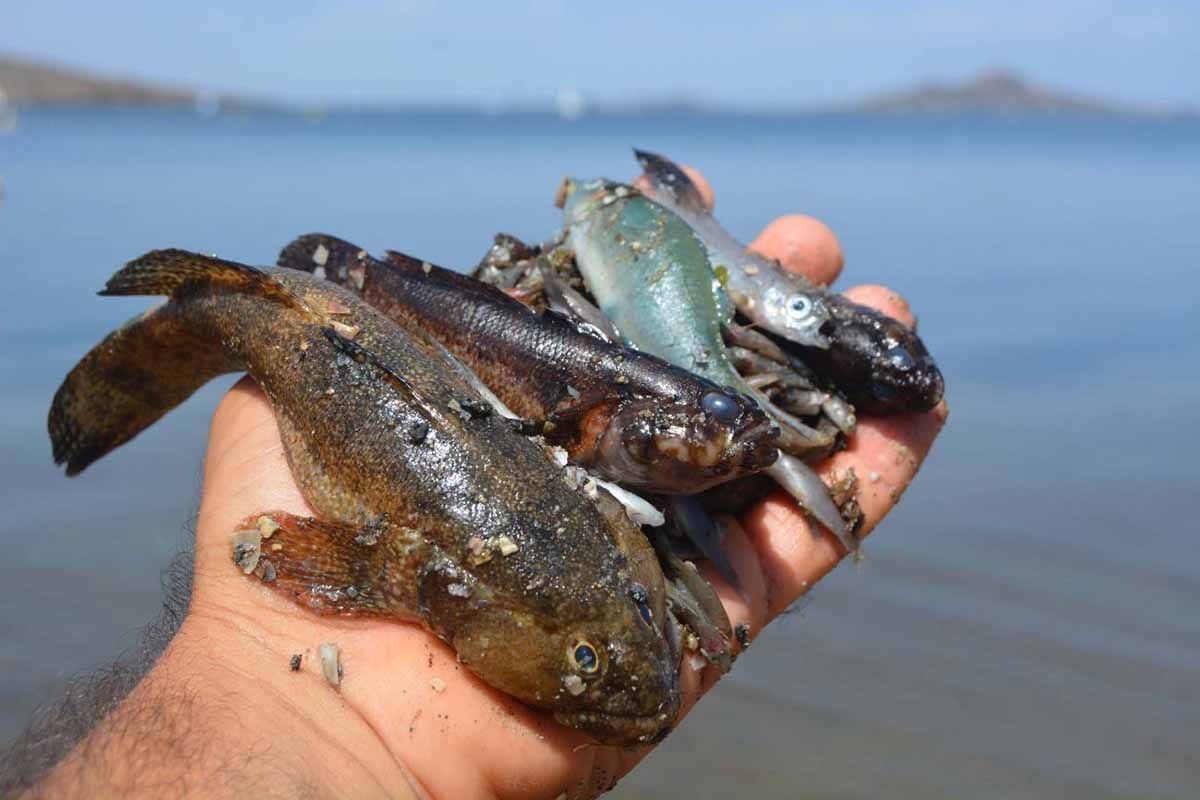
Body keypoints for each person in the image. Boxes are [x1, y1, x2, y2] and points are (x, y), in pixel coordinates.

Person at [24, 166, 947, 799]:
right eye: (591, 653)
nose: (636, 669)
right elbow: (281, 552)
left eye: (637, 605)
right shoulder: (422, 571)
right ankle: (157, 356)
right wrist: (276, 700)